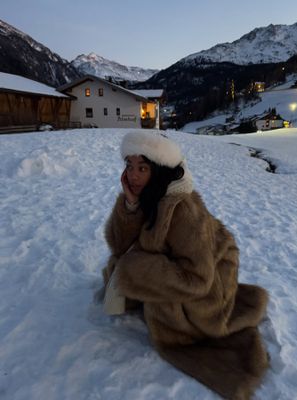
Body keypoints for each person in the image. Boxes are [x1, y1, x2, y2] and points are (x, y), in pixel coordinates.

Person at [102, 130, 269, 400]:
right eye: (129, 166)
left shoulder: (183, 210)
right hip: (188, 267)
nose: (132, 175)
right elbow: (120, 245)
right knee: (122, 263)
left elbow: (198, 278)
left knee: (131, 267)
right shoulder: (148, 195)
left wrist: (141, 269)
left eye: (142, 167)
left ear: (159, 169)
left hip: (209, 282)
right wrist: (130, 207)